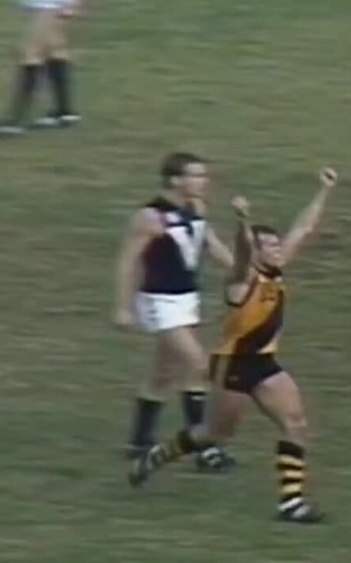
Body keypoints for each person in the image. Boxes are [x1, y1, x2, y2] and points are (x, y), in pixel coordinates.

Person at [128, 167, 340, 525]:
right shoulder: (241, 280)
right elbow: (242, 254)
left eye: (277, 245)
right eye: (269, 246)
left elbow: (303, 229)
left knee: (296, 424)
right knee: (215, 434)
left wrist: (324, 190)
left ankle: (291, 503)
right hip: (233, 366)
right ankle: (158, 455)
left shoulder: (276, 271)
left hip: (264, 362)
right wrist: (243, 221)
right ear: (257, 253)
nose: (277, 250)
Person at [113, 152, 238, 472]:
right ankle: (203, 448)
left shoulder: (197, 209)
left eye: (203, 175)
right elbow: (128, 262)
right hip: (160, 302)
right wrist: (124, 307)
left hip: (185, 300)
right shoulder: (150, 218)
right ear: (174, 180)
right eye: (195, 175)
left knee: (163, 373)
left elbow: (210, 244)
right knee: (199, 366)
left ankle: (139, 441)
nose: (203, 181)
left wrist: (244, 273)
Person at [0, 0, 84, 136]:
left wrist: (73, 0)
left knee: (31, 52)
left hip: (50, 0)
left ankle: (16, 119)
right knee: (54, 50)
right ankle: (64, 112)